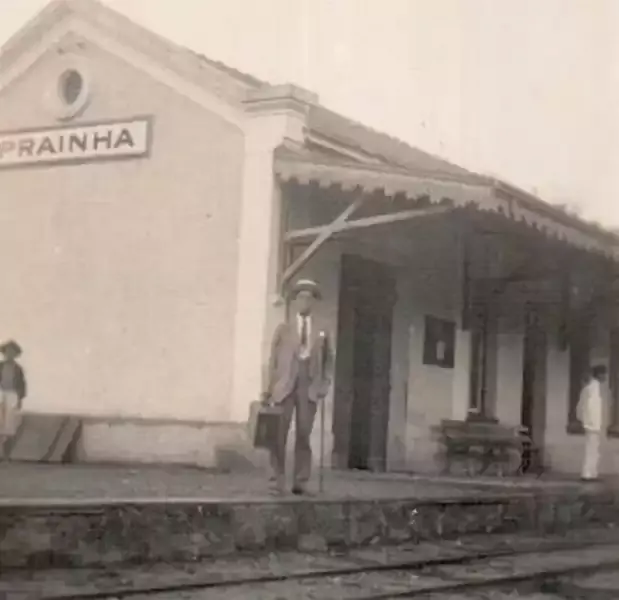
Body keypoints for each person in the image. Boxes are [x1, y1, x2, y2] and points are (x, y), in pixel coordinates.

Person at [263, 279, 334, 495]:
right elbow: (273, 360)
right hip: (285, 385)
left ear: (313, 302)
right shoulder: (284, 329)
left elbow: (328, 360)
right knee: (278, 435)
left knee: (304, 432)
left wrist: (323, 384)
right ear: (295, 301)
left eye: (309, 298)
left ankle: (300, 481)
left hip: (308, 386)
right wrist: (267, 388)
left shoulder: (321, 330)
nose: (305, 301)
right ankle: (276, 480)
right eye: (301, 297)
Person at [576, 364, 607, 481]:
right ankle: (587, 473)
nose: (605, 376)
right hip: (592, 423)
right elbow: (589, 407)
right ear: (598, 375)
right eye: (603, 374)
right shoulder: (592, 388)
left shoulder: (593, 387)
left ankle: (592, 472)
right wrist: (589, 422)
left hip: (594, 423)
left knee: (594, 449)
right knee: (591, 449)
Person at [0, 340, 27, 461]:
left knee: (9, 426)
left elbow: (22, 384)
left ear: (15, 354)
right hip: (0, 393)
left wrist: (20, 399)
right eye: (7, 352)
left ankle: (6, 455)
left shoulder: (18, 369)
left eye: (12, 352)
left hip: (12, 395)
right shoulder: (0, 366)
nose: (9, 354)